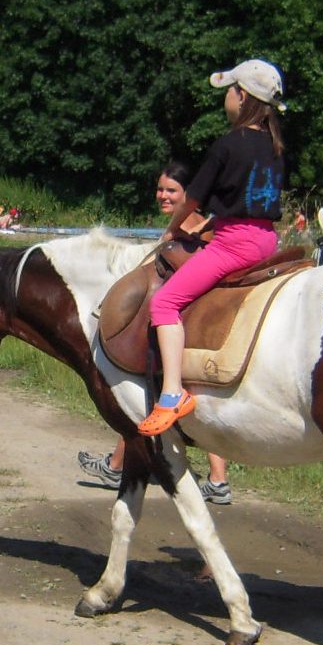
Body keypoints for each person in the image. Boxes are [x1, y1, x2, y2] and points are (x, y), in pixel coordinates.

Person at [137, 59, 287, 437]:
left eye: (230, 91)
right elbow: (247, 198)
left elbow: (192, 200)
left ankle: (172, 393)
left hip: (235, 244)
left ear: (243, 96)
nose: (226, 99)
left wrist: (172, 230)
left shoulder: (228, 144)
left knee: (164, 303)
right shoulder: (275, 146)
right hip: (268, 239)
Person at [77, 161, 234, 503]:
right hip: (187, 322)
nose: (163, 195)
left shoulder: (191, 229)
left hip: (182, 324)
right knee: (169, 395)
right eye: (160, 189)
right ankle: (216, 480)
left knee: (143, 395)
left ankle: (118, 465)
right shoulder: (192, 225)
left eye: (171, 190)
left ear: (187, 194)